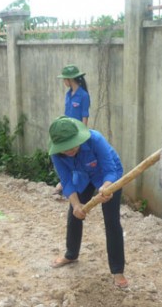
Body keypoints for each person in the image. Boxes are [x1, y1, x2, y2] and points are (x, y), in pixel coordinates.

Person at [48, 116, 128, 288]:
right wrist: (76, 205)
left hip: (108, 177)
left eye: (72, 145)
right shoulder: (55, 154)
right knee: (74, 214)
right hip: (83, 176)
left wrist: (106, 187)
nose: (69, 151)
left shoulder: (95, 139)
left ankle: (117, 270)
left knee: (112, 221)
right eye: (65, 148)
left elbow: (110, 169)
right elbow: (67, 181)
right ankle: (71, 254)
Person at [54, 65, 91, 194]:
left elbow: (84, 116)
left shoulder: (83, 95)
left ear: (70, 79)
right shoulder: (68, 94)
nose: (64, 82)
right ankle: (65, 182)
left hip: (77, 133)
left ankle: (79, 185)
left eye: (64, 79)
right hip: (66, 132)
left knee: (77, 157)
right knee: (63, 155)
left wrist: (82, 134)